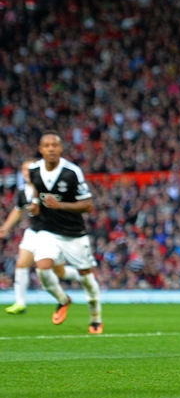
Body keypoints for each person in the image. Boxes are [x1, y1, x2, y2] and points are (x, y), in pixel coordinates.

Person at [28, 131, 104, 334]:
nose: (51, 149)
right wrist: (35, 204)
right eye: (47, 146)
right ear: (41, 149)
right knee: (42, 268)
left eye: (55, 145)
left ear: (61, 148)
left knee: (86, 277)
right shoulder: (34, 170)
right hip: (47, 230)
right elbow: (36, 189)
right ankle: (63, 300)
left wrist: (59, 205)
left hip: (73, 233)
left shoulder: (72, 172)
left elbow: (88, 205)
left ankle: (95, 318)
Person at [2, 159, 81, 314]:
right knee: (21, 263)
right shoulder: (23, 191)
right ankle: (20, 303)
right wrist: (5, 228)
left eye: (29, 169)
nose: (27, 173)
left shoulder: (48, 188)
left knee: (59, 272)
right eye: (24, 170)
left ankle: (82, 275)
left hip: (52, 233)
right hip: (34, 232)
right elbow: (18, 210)